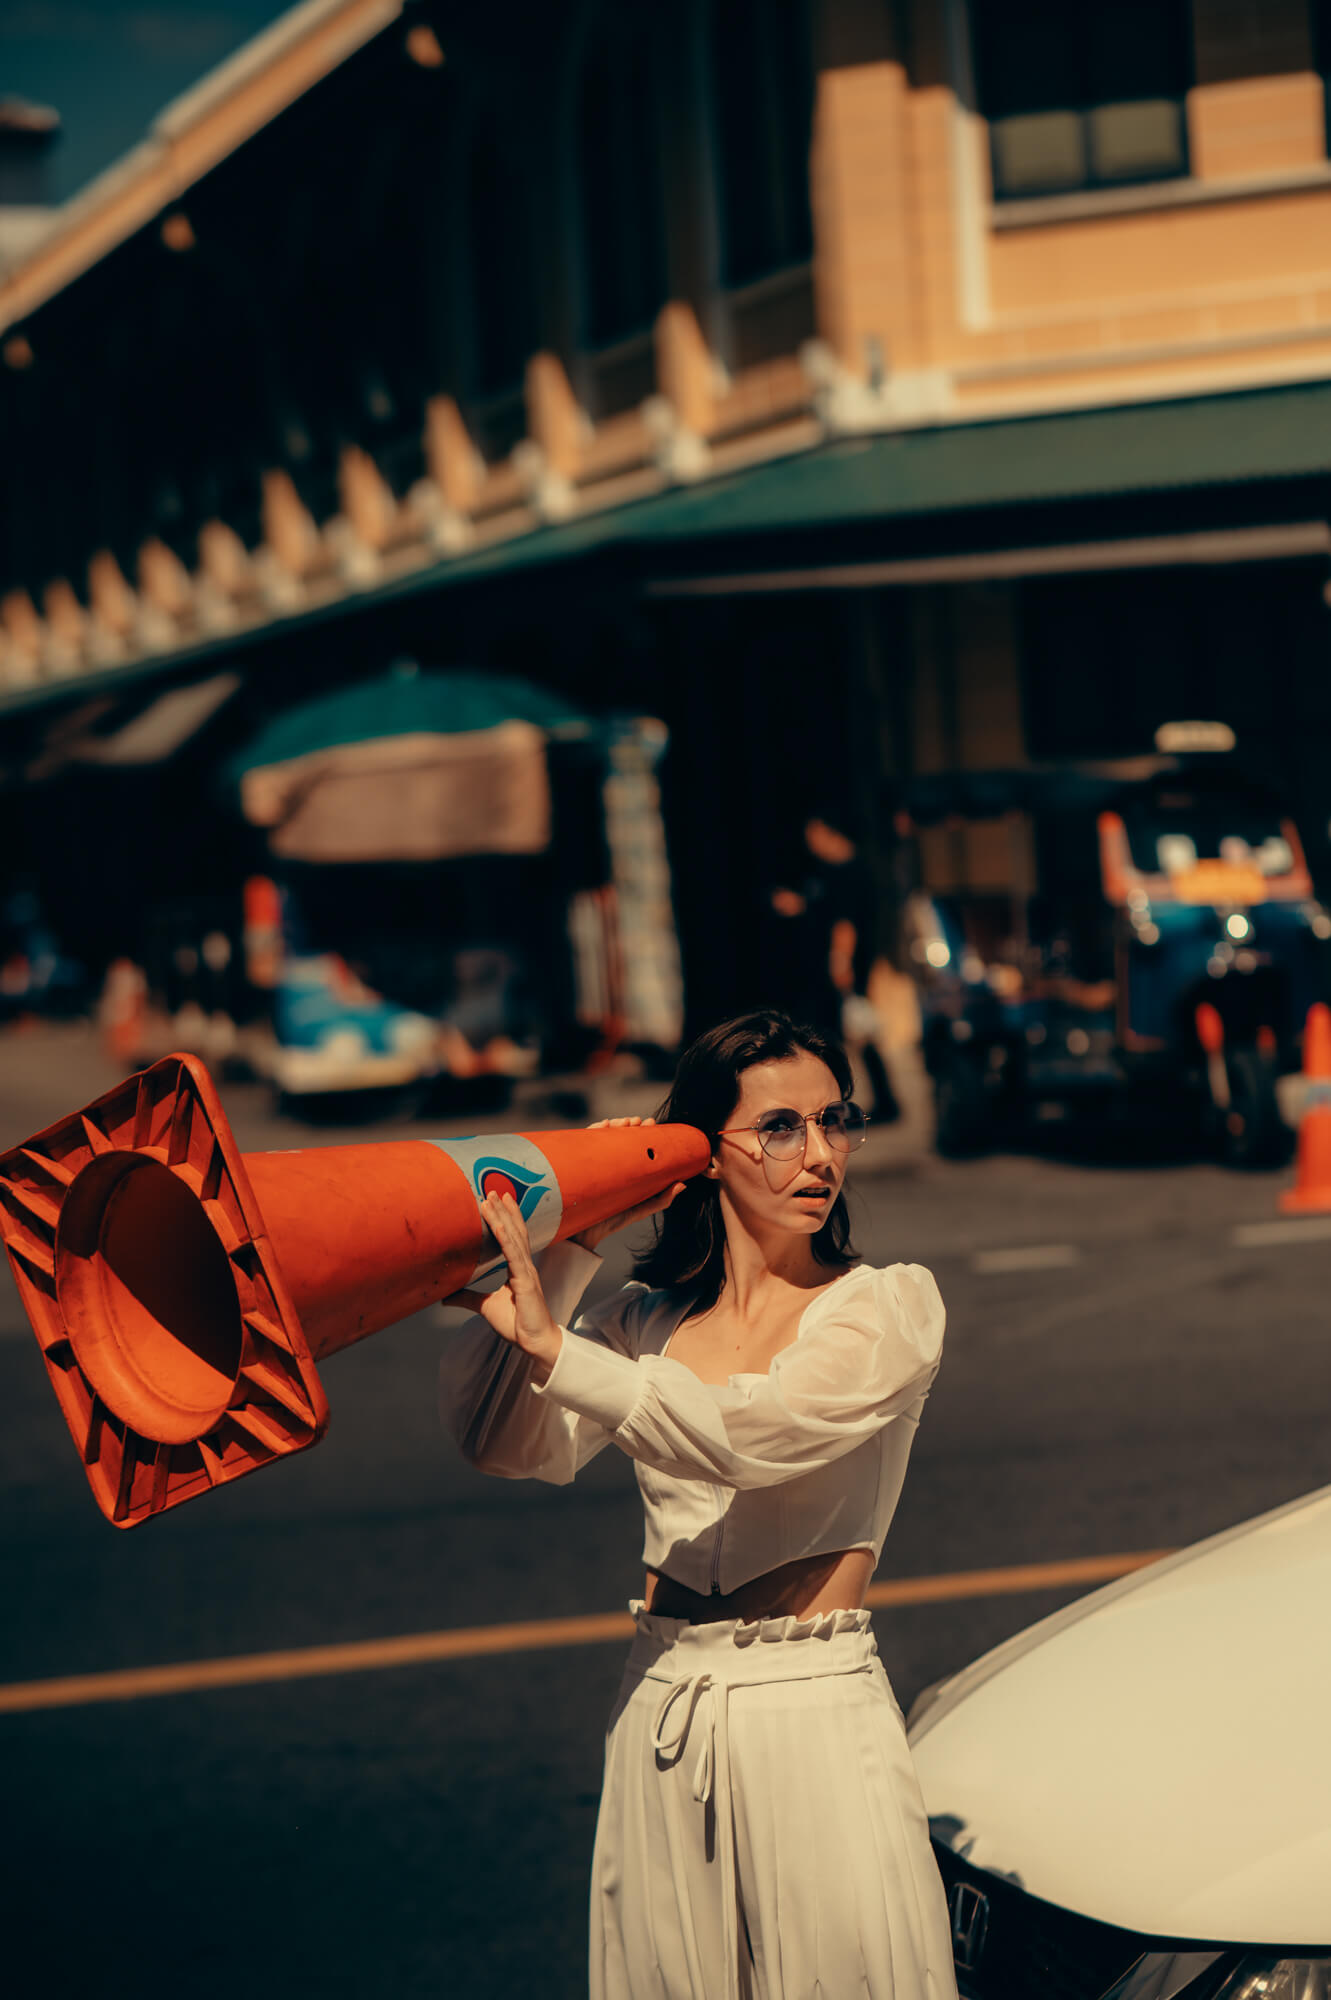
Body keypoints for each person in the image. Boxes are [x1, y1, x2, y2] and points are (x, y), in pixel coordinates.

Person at [437, 1009, 956, 1999]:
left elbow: (743, 1434)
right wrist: (571, 1240)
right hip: (658, 1698)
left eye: (832, 1120)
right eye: (777, 1127)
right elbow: (503, 1444)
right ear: (705, 1153)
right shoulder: (640, 1321)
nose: (817, 1154)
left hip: (811, 1710)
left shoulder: (887, 1308)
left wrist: (557, 1349)